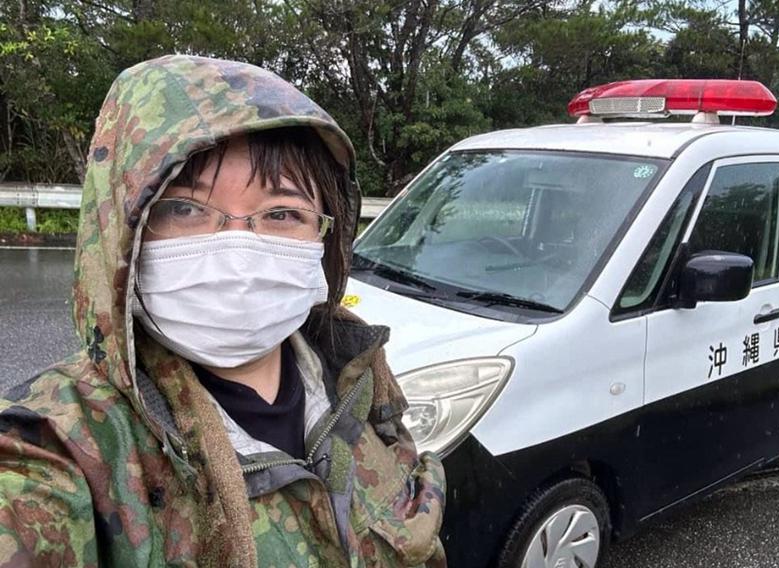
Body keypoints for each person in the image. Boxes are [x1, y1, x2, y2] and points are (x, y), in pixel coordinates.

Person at [0, 55, 446, 567]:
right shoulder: (58, 447)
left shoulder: (356, 378)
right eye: (186, 208)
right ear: (125, 233)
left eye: (282, 213)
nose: (237, 253)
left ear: (326, 236)